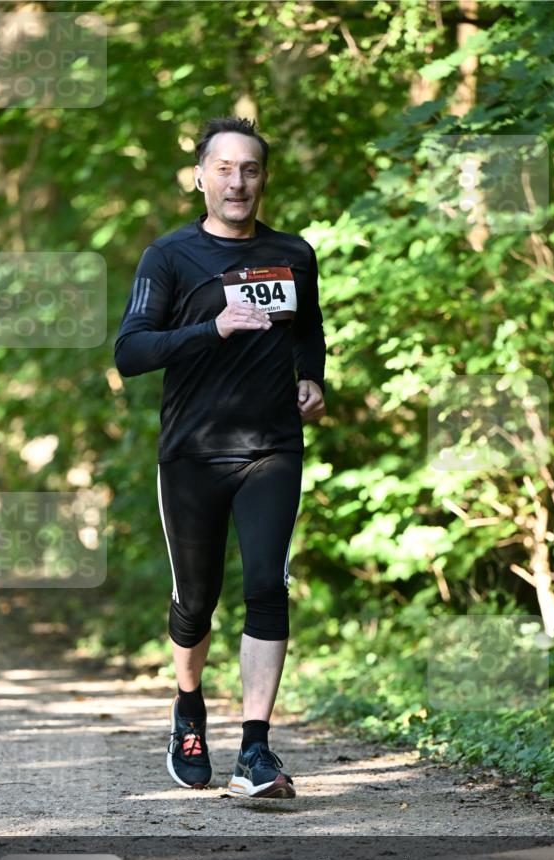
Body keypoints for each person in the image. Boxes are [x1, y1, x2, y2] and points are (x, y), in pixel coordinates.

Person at [114, 117, 326, 799]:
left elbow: (309, 335)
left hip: (271, 449)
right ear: (200, 177)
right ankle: (187, 708)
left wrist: (311, 379)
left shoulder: (294, 253)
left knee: (266, 584)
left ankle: (256, 751)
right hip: (191, 454)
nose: (238, 181)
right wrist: (211, 327)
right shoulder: (169, 257)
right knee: (194, 602)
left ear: (263, 178)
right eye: (225, 168)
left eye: (251, 169)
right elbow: (131, 352)